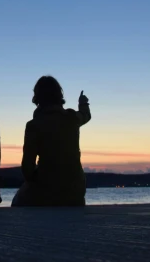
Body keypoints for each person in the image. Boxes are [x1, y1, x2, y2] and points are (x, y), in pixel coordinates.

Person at [11, 76, 91, 206]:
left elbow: (27, 167)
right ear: (59, 94)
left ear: (37, 97)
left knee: (16, 202)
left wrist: (34, 179)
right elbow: (86, 115)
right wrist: (83, 102)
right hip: (76, 189)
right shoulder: (72, 117)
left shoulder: (33, 125)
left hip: (47, 189)